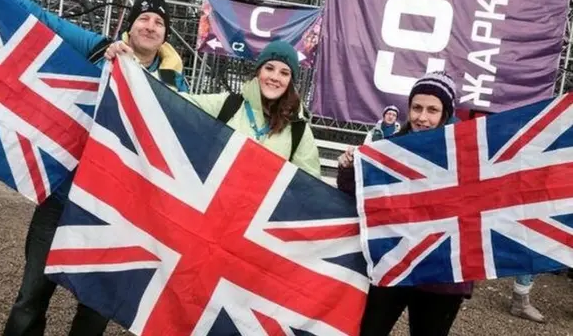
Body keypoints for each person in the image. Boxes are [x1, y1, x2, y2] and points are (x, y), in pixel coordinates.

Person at [0, 0, 188, 335]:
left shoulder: (176, 86)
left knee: (95, 313)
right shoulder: (99, 50)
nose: (150, 25)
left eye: (159, 22)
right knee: (31, 296)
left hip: (115, 214)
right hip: (63, 198)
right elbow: (42, 18)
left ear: (165, 35)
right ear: (131, 25)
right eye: (144, 18)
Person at [337, 71, 473, 336]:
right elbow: (357, 196)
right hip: (393, 264)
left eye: (432, 110)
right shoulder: (389, 149)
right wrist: (348, 168)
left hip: (441, 275)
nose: (423, 117)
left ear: (446, 112)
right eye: (417, 108)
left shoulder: (466, 153)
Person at [104, 39, 322, 178]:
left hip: (256, 232)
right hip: (212, 216)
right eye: (270, 68)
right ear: (258, 72)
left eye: (284, 73)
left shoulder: (298, 130)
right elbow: (173, 102)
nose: (275, 77)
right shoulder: (229, 105)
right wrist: (132, 65)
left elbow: (311, 193)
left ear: (291, 81)